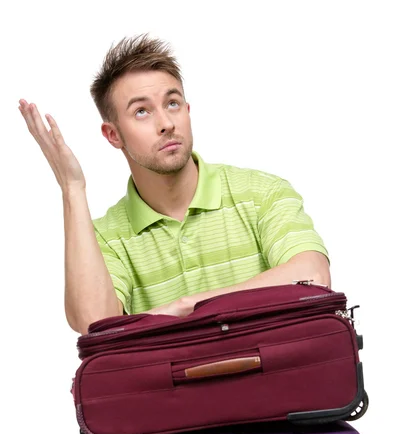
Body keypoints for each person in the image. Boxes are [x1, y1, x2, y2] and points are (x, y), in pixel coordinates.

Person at [19, 34, 330, 336]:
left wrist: (188, 306)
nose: (166, 123)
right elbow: (96, 327)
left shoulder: (260, 193)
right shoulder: (106, 238)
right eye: (141, 111)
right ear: (113, 135)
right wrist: (72, 189)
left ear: (188, 110)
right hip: (176, 390)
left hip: (279, 383)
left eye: (172, 103)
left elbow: (314, 276)